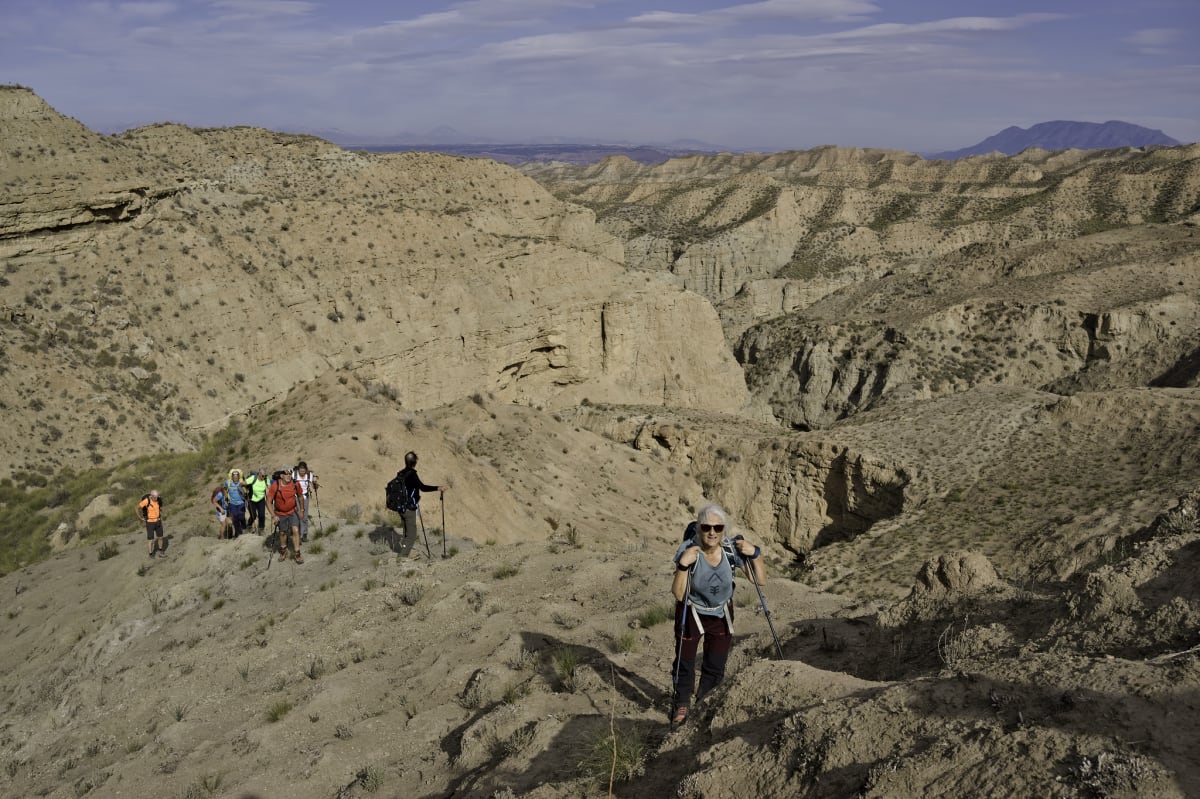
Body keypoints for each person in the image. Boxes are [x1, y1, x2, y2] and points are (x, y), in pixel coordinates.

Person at [669, 503, 765, 724]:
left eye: (718, 527)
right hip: (691, 610)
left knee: (716, 662)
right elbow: (679, 593)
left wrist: (756, 554)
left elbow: (759, 580)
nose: (712, 532)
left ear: (723, 529)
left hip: (721, 611)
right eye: (706, 527)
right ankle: (682, 702)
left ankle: (705, 701)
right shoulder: (688, 549)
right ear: (699, 528)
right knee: (685, 659)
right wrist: (683, 565)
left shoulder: (731, 550)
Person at [391, 451, 446, 557]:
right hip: (409, 508)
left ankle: (404, 550)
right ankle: (402, 558)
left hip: (400, 507)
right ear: (414, 462)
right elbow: (423, 487)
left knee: (406, 532)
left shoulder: (400, 473)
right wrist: (438, 488)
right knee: (411, 535)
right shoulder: (412, 474)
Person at [267, 465, 305, 563]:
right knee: (283, 532)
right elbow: (268, 501)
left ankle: (297, 553)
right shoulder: (275, 485)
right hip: (280, 513)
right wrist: (273, 516)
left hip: (292, 511)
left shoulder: (295, 484)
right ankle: (284, 551)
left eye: (290, 473)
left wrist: (302, 510)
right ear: (281, 476)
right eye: (286, 473)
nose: (288, 475)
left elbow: (300, 497)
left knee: (295, 530)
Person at [292, 461, 319, 542]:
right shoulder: (294, 474)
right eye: (300, 471)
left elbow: (315, 487)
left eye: (303, 471)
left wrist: (315, 483)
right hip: (296, 497)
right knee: (298, 515)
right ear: (298, 470)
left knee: (305, 516)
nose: (302, 473)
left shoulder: (309, 475)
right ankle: (298, 535)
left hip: (305, 497)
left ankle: (304, 534)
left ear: (306, 470)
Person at [137, 489, 166, 558]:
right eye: (155, 497)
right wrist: (140, 518)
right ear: (151, 496)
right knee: (151, 539)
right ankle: (150, 553)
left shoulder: (158, 499)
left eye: (157, 496)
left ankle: (161, 551)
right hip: (150, 523)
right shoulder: (147, 501)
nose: (156, 498)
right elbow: (136, 508)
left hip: (158, 521)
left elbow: (160, 507)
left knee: (160, 537)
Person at [224, 468, 248, 538]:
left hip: (241, 503)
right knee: (235, 519)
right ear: (232, 477)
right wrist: (226, 497)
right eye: (234, 477)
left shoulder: (241, 482)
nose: (235, 479)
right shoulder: (228, 483)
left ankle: (244, 527)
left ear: (238, 477)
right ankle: (238, 533)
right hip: (232, 504)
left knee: (241, 517)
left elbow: (246, 489)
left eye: (237, 477)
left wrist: (246, 493)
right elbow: (225, 489)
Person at [244, 468, 268, 534]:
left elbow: (269, 486)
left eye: (265, 475)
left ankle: (261, 529)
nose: (264, 477)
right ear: (259, 474)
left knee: (261, 515)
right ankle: (249, 525)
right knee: (253, 515)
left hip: (261, 499)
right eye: (263, 476)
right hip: (252, 500)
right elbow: (243, 483)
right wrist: (245, 488)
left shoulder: (266, 479)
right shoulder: (253, 478)